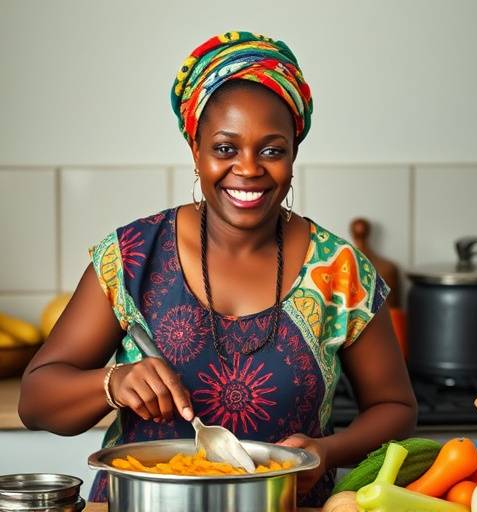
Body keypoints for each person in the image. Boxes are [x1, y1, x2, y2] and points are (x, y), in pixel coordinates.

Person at [18, 31, 417, 507]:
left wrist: (327, 453)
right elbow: (36, 402)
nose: (248, 169)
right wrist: (113, 383)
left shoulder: (340, 271)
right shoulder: (131, 256)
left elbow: (396, 408)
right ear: (195, 150)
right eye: (225, 149)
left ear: (294, 154)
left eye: (272, 150)